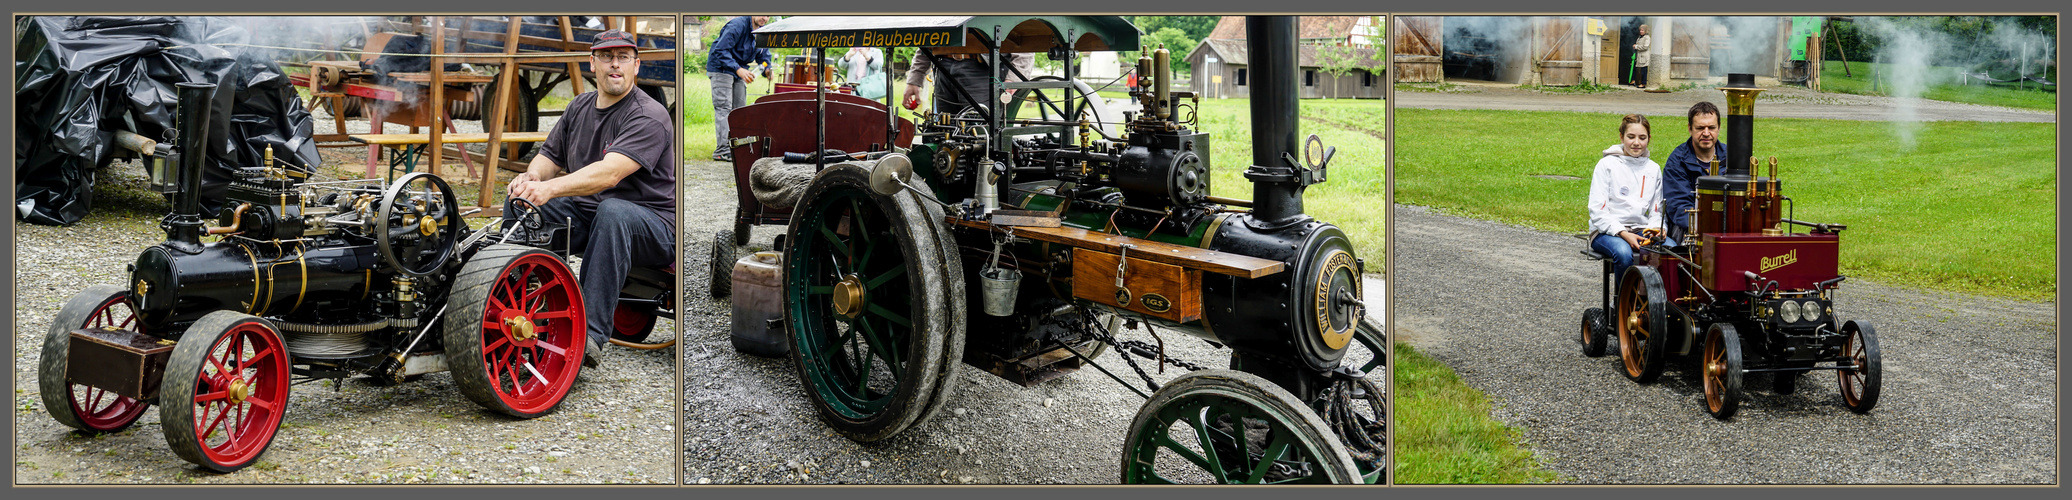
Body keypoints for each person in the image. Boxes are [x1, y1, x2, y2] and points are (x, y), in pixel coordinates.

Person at [507, 30, 678, 368]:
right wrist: (532, 179)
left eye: (624, 57)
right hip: (593, 214)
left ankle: (590, 335)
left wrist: (552, 188)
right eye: (606, 56)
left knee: (612, 212)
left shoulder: (649, 114)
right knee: (523, 204)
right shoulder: (579, 106)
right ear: (592, 63)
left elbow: (610, 173)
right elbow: (548, 156)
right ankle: (521, 305)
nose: (615, 64)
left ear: (636, 65)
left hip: (654, 226)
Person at [1587, 114, 1663, 281]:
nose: (1636, 142)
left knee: (1670, 249)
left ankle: (1655, 301)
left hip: (1640, 229)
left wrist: (1656, 229)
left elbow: (1657, 210)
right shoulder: (1607, 165)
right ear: (1621, 137)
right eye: (1631, 137)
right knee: (1623, 253)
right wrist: (1623, 233)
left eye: (1642, 138)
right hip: (1606, 232)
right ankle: (1623, 302)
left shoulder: (1653, 169)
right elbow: (1597, 211)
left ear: (1649, 139)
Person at [707, 16, 773, 161]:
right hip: (720, 68)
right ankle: (722, 150)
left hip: (739, 70)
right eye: (762, 14)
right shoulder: (737, 26)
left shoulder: (763, 32)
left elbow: (764, 57)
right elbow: (721, 50)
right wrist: (738, 69)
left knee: (739, 110)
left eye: (768, 15)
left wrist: (767, 69)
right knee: (724, 108)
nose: (765, 18)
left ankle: (736, 148)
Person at [1661, 101, 1724, 246]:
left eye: (1711, 128)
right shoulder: (1677, 161)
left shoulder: (1732, 158)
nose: (1706, 133)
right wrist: (1707, 227)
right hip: (1688, 229)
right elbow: (1678, 206)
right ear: (1690, 129)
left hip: (1726, 225)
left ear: (1719, 128)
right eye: (1700, 128)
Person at [901, 50, 1034, 115]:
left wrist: (1013, 79)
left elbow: (1023, 40)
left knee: (979, 133)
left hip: (981, 71)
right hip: (943, 66)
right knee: (945, 131)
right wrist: (915, 78)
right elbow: (931, 33)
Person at [1631, 24, 1652, 89]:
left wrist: (1636, 46)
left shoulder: (1647, 37)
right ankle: (1635, 81)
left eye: (1642, 30)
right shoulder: (1640, 37)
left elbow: (1645, 47)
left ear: (1645, 31)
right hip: (1639, 56)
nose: (1641, 31)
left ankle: (1643, 83)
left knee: (1644, 70)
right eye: (1640, 30)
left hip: (1644, 56)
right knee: (1637, 69)